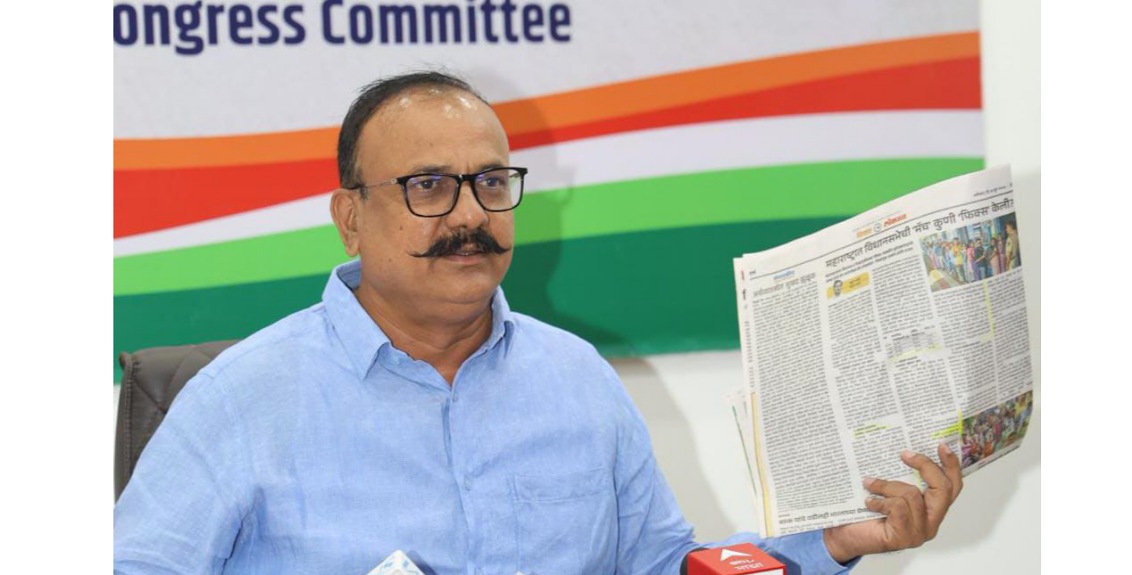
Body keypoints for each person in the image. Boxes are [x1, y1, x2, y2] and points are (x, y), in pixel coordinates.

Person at [114, 72, 963, 575]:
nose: (469, 215)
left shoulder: (575, 377)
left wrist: (830, 541)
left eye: (491, 183)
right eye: (428, 186)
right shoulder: (242, 397)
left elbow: (662, 566)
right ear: (350, 217)